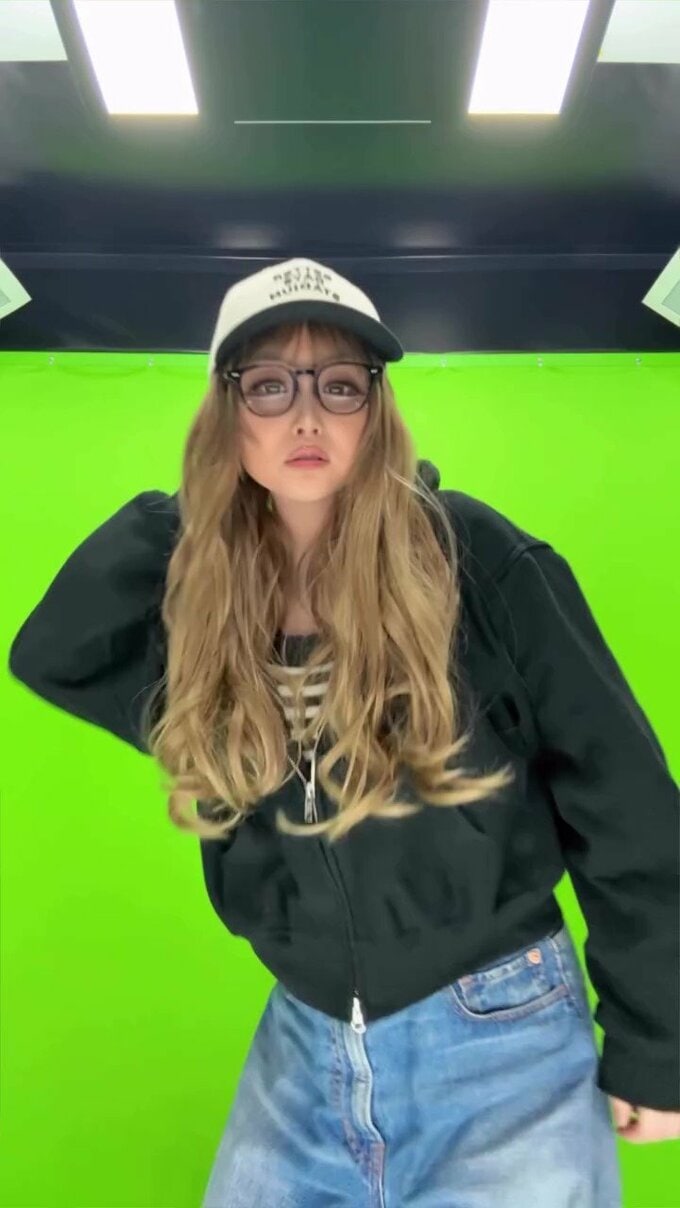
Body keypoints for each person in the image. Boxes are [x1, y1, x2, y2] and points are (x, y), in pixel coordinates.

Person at [8, 258, 679, 1206]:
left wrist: (659, 1041)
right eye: (269, 386)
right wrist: (200, 511)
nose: (306, 418)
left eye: (339, 385)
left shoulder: (474, 561)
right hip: (303, 1042)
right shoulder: (210, 601)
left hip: (504, 1035)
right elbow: (53, 651)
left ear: (376, 409)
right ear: (226, 412)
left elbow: (626, 801)